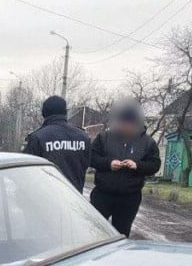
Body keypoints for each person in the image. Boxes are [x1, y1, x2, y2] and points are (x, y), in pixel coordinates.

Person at [89, 102, 161, 237]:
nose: (126, 127)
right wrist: (109, 163)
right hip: (103, 194)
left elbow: (155, 165)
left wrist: (137, 166)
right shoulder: (104, 137)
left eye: (130, 124)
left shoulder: (147, 142)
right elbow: (91, 158)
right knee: (95, 232)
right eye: (124, 123)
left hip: (129, 197)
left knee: (121, 234)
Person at [22, 95, 91, 192]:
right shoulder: (83, 137)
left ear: (44, 113)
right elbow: (86, 164)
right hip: (75, 199)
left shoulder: (38, 137)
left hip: (48, 198)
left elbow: (26, 170)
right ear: (65, 112)